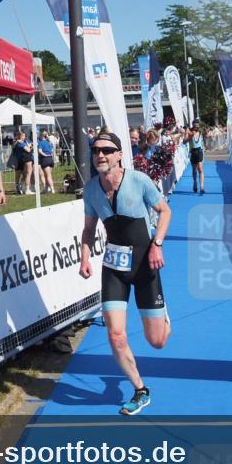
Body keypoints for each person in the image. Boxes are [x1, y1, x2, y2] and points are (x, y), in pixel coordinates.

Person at [79, 132, 172, 415]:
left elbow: (165, 211)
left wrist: (157, 244)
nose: (100, 155)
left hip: (145, 265)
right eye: (96, 150)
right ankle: (140, 390)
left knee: (157, 341)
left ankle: (163, 315)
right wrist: (84, 258)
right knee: (116, 336)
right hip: (114, 268)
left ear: (119, 155)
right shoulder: (91, 190)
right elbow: (89, 229)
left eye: (107, 150)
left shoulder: (139, 180)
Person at [187, 119, 205, 194]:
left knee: (200, 169)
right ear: (193, 125)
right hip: (193, 152)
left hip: (199, 151)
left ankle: (202, 187)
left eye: (197, 126)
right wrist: (191, 136)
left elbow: (204, 139)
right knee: (194, 170)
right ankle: (195, 182)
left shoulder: (201, 131)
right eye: (195, 126)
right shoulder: (189, 132)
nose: (196, 127)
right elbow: (184, 141)